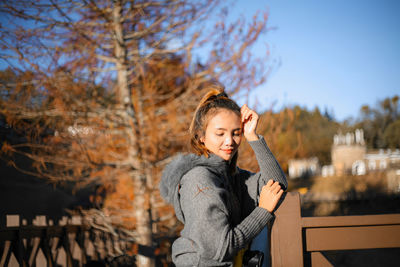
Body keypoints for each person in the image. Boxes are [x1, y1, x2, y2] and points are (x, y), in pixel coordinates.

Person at [159, 84, 287, 266]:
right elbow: (221, 248)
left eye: (236, 133)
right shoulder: (199, 180)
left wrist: (253, 137)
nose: (229, 142)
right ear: (201, 136)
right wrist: (263, 211)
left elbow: (277, 185)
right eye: (220, 134)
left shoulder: (232, 176)